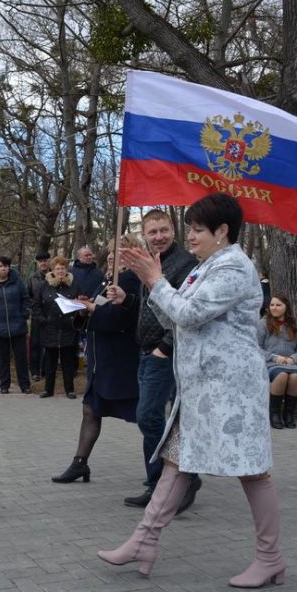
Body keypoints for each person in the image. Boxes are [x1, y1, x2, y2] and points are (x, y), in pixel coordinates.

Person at [100, 192, 285, 589]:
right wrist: (153, 285)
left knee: (252, 471)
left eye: (198, 229)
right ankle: (143, 542)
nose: (192, 236)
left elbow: (190, 313)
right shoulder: (208, 266)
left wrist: (155, 279)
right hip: (202, 389)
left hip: (232, 391)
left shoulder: (233, 266)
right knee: (177, 460)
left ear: (222, 231)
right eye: (191, 228)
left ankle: (270, 559)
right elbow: (173, 316)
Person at [124, 209, 200, 512]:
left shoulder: (185, 264)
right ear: (145, 233)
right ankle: (157, 484)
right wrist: (126, 300)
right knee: (152, 418)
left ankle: (185, 478)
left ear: (173, 229)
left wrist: (165, 347)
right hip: (146, 351)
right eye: (152, 232)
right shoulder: (151, 261)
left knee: (149, 416)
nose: (159, 237)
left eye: (163, 230)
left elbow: (186, 313)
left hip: (166, 353)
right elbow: (150, 308)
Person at [52, 235, 141, 483]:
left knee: (145, 417)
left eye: (118, 252)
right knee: (90, 410)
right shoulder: (107, 279)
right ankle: (80, 463)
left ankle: (172, 470)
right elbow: (98, 306)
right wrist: (83, 306)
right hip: (100, 362)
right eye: (110, 252)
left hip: (121, 363)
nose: (111, 256)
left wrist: (92, 310)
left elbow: (120, 319)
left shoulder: (132, 280)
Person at [0, 257, 31, 394]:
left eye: (5, 266)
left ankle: (25, 385)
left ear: (9, 268)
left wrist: (24, 313)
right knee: (2, 358)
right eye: (0, 266)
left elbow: (25, 299)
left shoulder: (18, 282)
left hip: (18, 325)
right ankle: (4, 385)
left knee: (21, 357)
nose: (3, 268)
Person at [33, 256, 80, 399]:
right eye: (57, 268)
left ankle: (70, 389)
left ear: (67, 270)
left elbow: (80, 304)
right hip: (50, 328)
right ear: (52, 270)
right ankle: (48, 389)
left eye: (63, 268)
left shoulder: (74, 285)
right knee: (49, 362)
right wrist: (43, 320)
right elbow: (36, 306)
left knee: (68, 362)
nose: (60, 271)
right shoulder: (44, 286)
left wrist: (76, 319)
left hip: (68, 329)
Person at [258, 295, 297, 430]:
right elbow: (256, 348)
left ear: (286, 307)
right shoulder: (263, 324)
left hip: (291, 363)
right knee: (282, 375)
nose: (274, 308)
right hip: (270, 363)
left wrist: (293, 359)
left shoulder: (296, 326)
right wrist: (274, 357)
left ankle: (289, 413)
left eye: (278, 305)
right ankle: (274, 413)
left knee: (295, 377)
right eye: (272, 305)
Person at [27, 252, 51, 381]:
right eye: (40, 261)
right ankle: (34, 371)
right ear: (37, 263)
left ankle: (46, 370)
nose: (43, 263)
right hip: (36, 315)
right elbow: (27, 296)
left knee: (49, 344)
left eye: (45, 260)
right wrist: (36, 306)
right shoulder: (32, 278)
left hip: (51, 315)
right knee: (35, 344)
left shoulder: (54, 276)